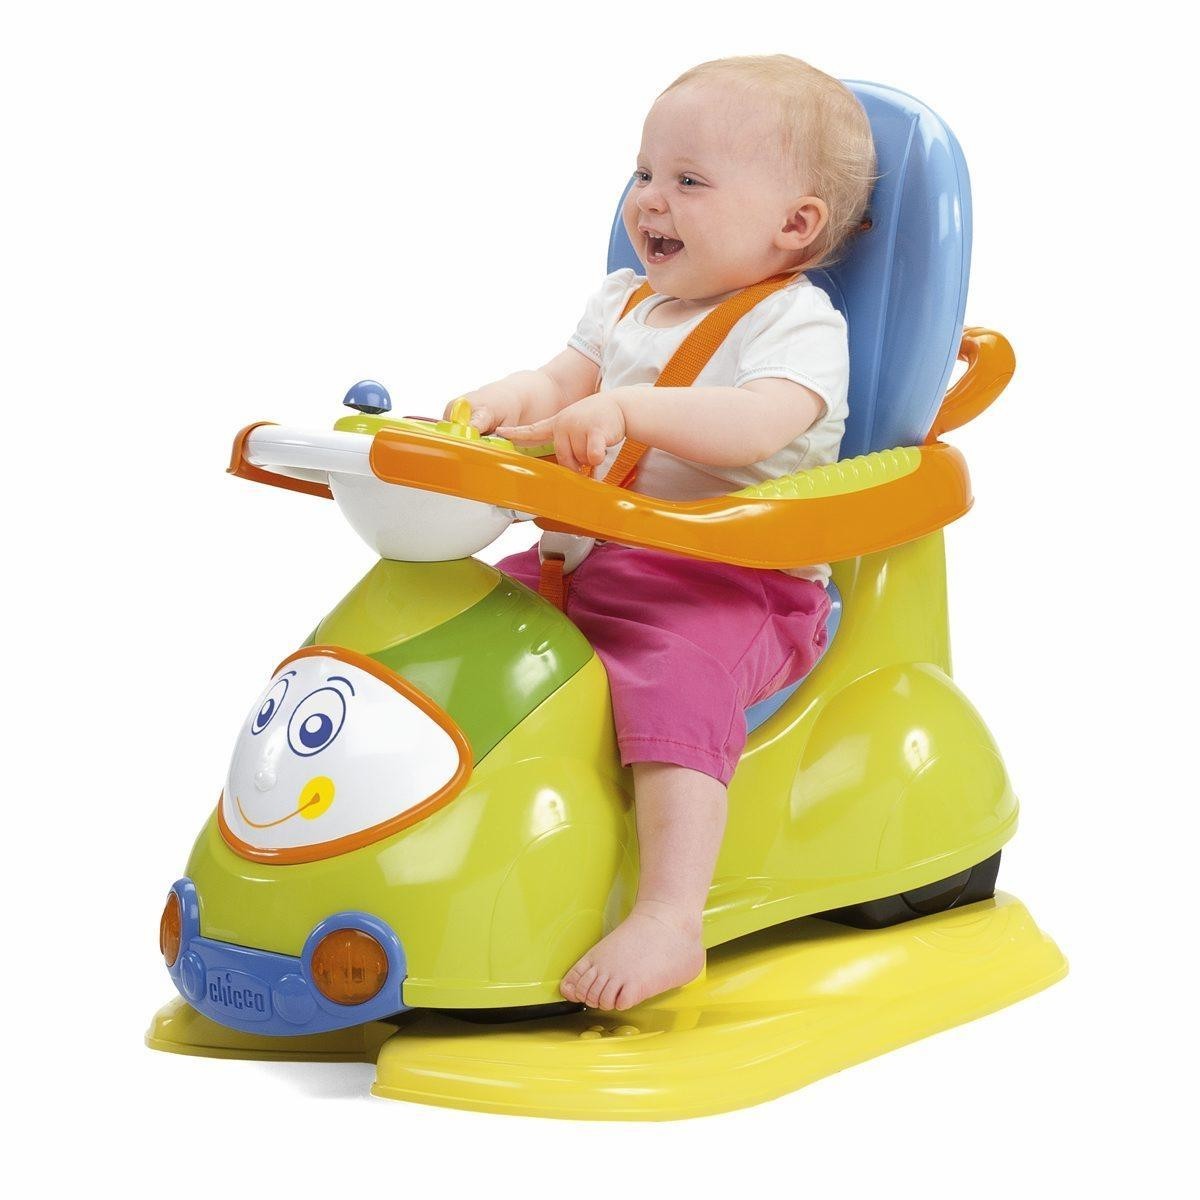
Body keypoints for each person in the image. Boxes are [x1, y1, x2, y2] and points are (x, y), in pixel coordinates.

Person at [453, 55, 875, 1011]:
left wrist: (633, 409)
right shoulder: (622, 302)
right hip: (588, 558)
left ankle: (670, 916)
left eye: (689, 180)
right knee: (467, 620)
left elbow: (759, 425)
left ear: (794, 225)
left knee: (671, 674)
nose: (650, 199)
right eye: (644, 172)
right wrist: (500, 402)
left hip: (734, 583)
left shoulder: (796, 323)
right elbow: (558, 383)